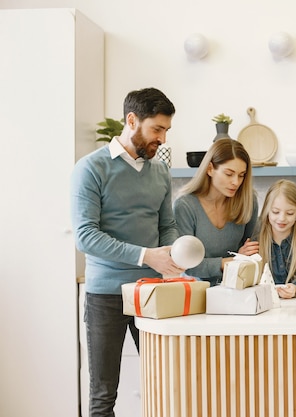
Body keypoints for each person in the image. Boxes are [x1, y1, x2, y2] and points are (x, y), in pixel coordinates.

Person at [71, 87, 182, 417]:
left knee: (164, 384)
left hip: (151, 294)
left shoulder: (160, 172)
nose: (161, 138)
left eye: (166, 131)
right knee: (104, 392)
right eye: (156, 129)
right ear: (131, 120)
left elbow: (167, 226)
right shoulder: (91, 169)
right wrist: (147, 256)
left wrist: (173, 253)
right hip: (105, 293)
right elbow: (85, 237)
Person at [174, 138, 258, 285]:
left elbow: (251, 253)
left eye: (241, 175)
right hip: (195, 292)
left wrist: (245, 256)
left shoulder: (248, 201)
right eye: (229, 174)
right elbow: (187, 265)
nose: (236, 182)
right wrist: (233, 261)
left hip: (235, 288)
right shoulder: (185, 206)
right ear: (210, 169)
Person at [256, 179, 296, 298]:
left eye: (289, 213)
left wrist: (295, 288)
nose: (282, 218)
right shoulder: (256, 241)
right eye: (275, 212)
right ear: (267, 210)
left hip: (294, 309)